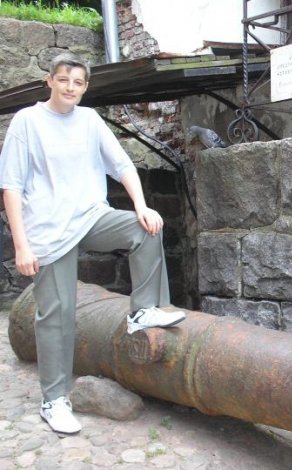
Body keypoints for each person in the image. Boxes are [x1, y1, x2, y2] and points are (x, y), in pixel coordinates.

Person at [0, 52, 186, 434]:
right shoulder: (27, 122)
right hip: (49, 230)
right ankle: (54, 400)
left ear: (85, 87)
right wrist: (21, 246)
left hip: (90, 216)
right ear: (50, 81)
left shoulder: (89, 120)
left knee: (145, 229)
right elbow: (11, 187)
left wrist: (141, 206)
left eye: (78, 82)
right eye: (64, 80)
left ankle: (143, 311)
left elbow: (122, 165)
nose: (70, 88)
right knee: (58, 314)